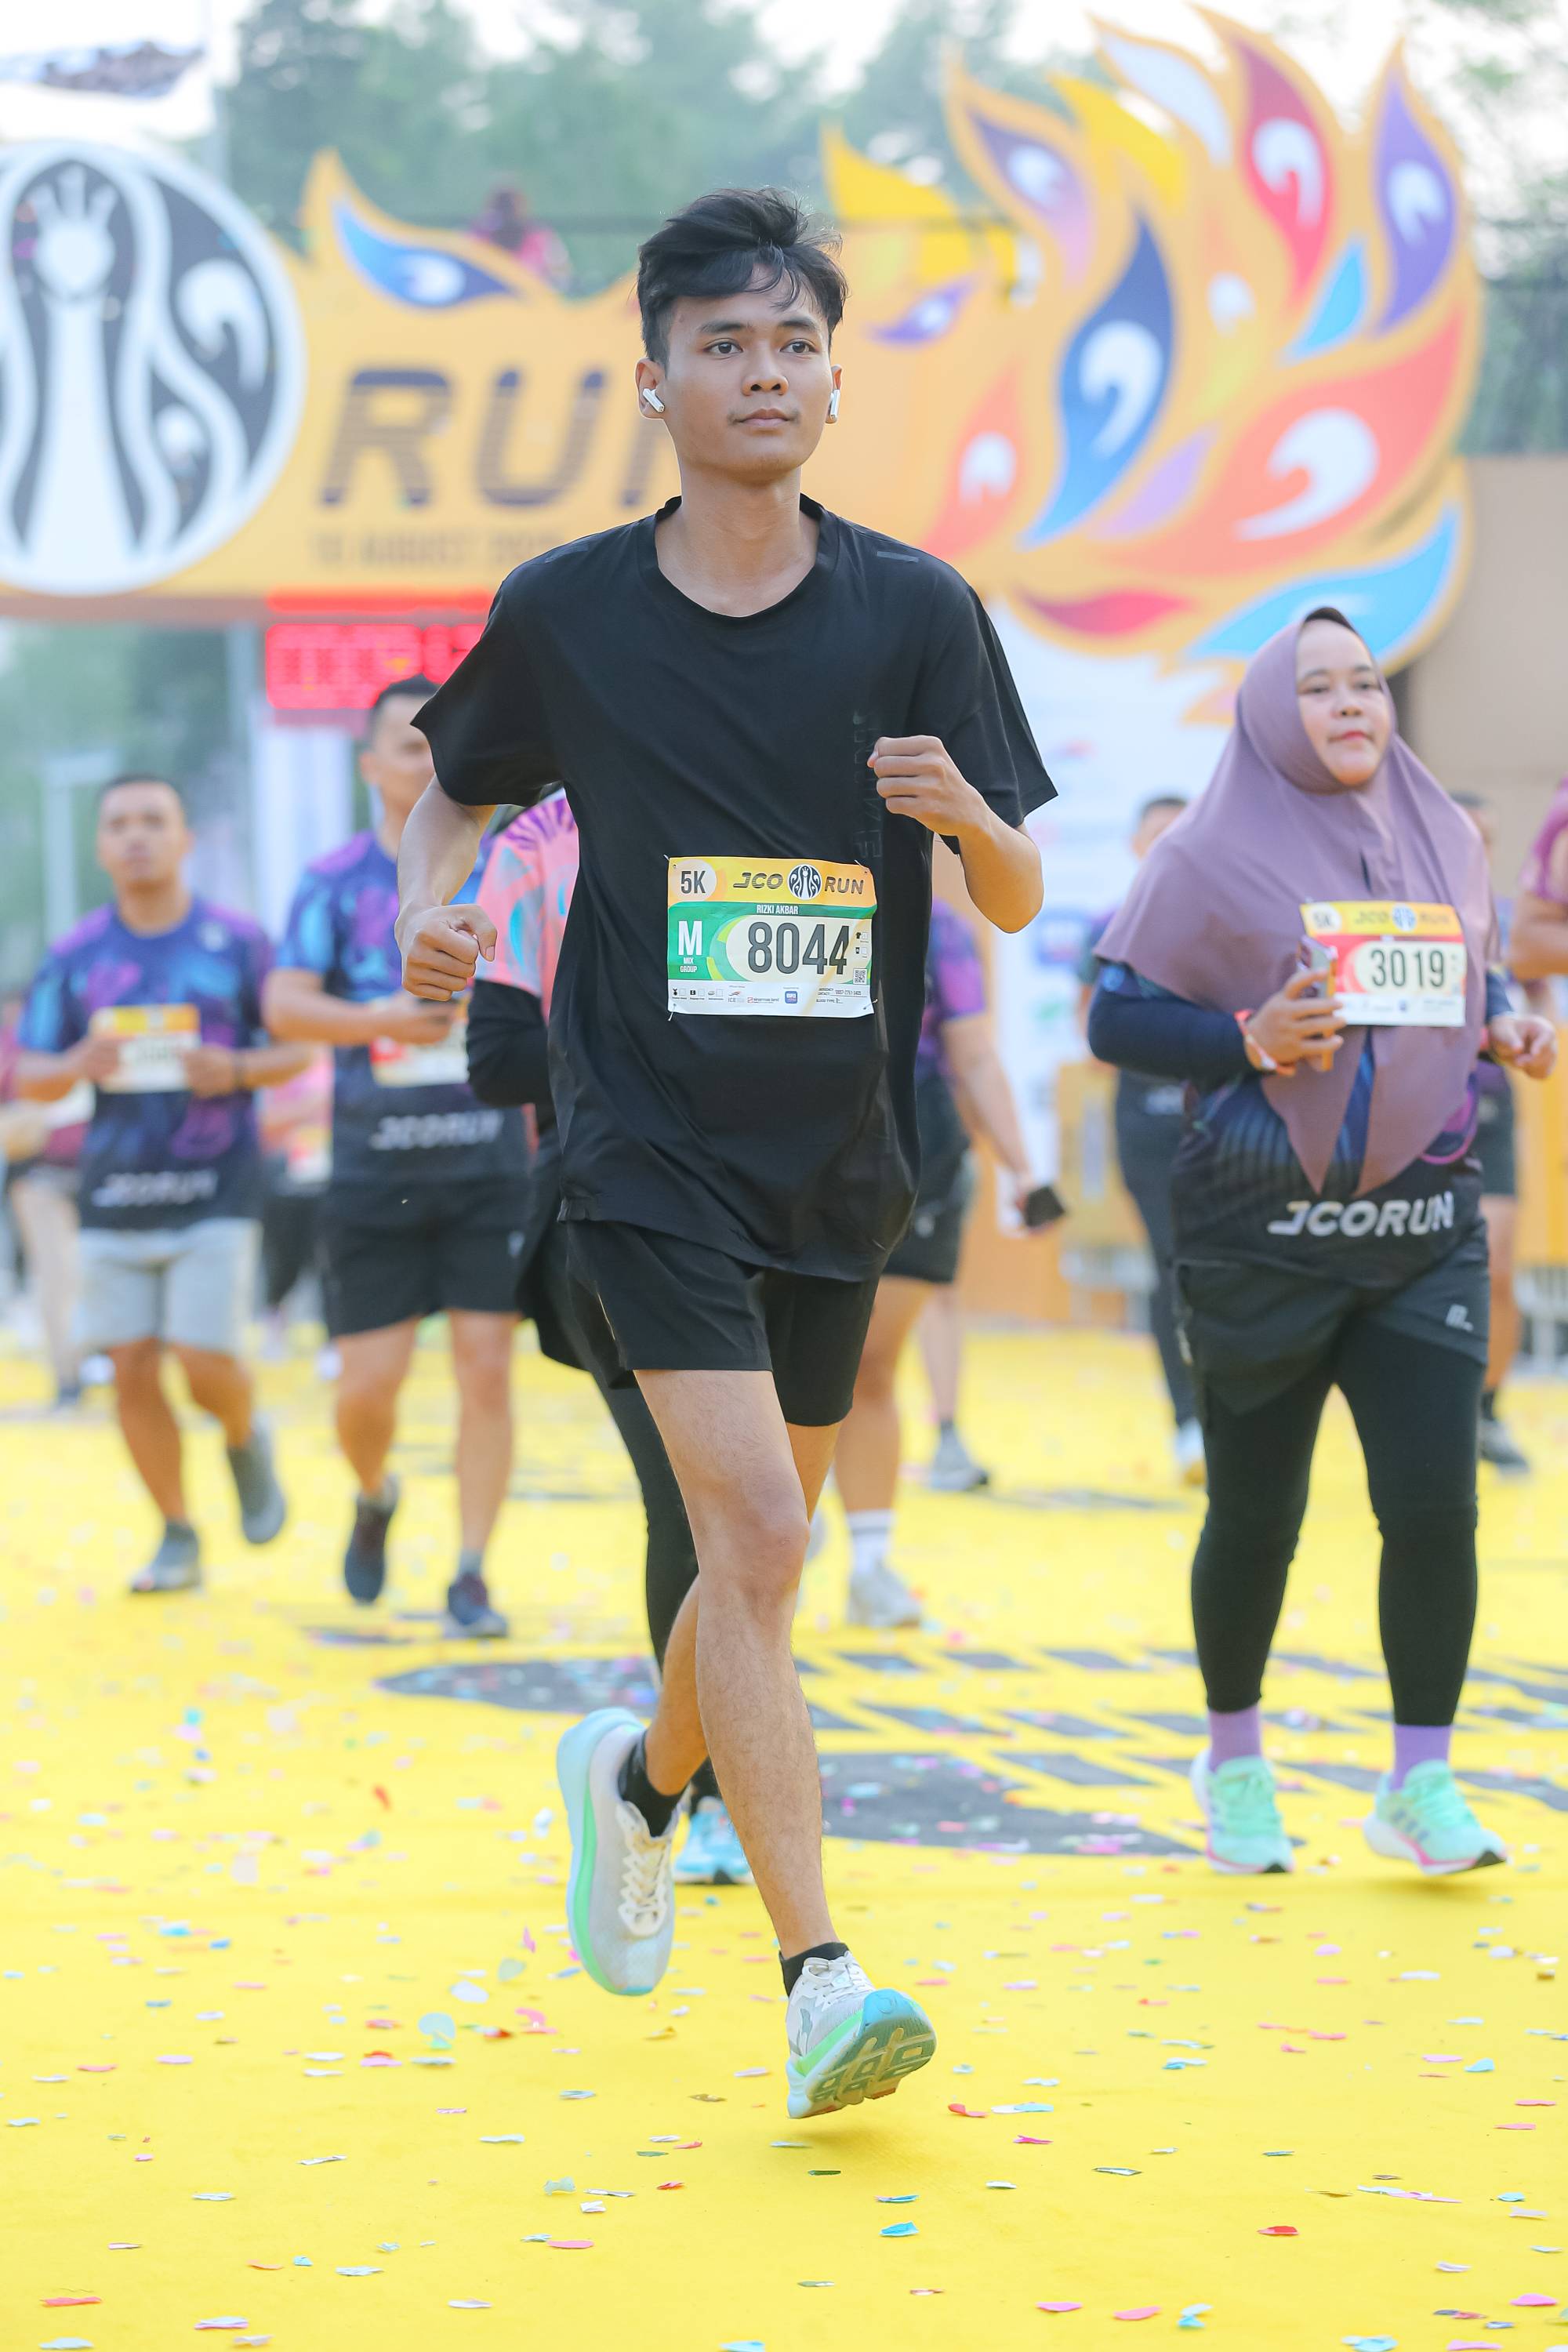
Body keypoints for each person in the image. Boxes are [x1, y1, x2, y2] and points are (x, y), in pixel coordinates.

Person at [395, 187, 1051, 2118]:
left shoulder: (917, 610)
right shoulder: (569, 609)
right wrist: (427, 914)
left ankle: (637, 1778)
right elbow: (447, 798)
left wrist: (964, 819)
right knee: (755, 1535)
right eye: (722, 344)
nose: (762, 374)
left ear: (834, 382)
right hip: (639, 1140)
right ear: (654, 381)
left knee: (758, 1563)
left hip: (840, 1155)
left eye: (792, 344)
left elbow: (1013, 889)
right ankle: (817, 1975)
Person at [1088, 609, 1555, 1878]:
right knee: (1257, 1517)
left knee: (1436, 1511)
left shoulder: (1443, 832)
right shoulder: (1201, 855)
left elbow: (1463, 974)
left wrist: (1502, 1024)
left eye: (1367, 684)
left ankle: (1421, 1780)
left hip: (1422, 1230)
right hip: (1263, 1237)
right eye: (1320, 688)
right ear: (1268, 712)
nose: (1351, 705)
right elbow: (1116, 1021)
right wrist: (1244, 1038)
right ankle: (1234, 1759)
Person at [466, 790, 749, 1887]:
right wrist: (654, 1057)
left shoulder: (761, 794)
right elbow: (498, 1057)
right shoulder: (537, 845)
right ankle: (697, 1794)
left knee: (764, 1524)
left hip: (785, 1206)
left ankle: (688, 1773)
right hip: (612, 1208)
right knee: (694, 1508)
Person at [265, 677, 529, 1638]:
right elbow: (284, 1006)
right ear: (370, 766)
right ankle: (375, 1493)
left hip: (488, 1163)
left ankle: (471, 1571)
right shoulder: (334, 882)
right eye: (408, 745)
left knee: (485, 1370)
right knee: (366, 1391)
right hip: (374, 1173)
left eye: (438, 743)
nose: (426, 760)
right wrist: (382, 1016)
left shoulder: (506, 865)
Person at [14, 775, 298, 1590]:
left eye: (153, 820)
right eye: (119, 824)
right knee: (132, 1366)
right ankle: (176, 1531)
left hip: (217, 1185)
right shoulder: (76, 956)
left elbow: (299, 1048)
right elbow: (31, 1074)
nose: (136, 836)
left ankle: (242, 1432)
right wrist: (77, 1063)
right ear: (101, 846)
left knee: (204, 1358)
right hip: (114, 1191)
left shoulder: (238, 944)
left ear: (185, 839)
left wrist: (234, 1069)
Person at [831, 895, 1038, 1624]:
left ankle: (870, 1563)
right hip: (782, 1132)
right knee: (763, 1362)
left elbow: (973, 1050)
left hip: (910, 1143)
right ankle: (767, 1528)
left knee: (868, 1365)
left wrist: (1022, 1167)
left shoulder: (939, 925)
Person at [1078, 793, 1201, 1483]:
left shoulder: (1226, 920)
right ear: (1135, 846)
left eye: (1182, 834)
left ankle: (1235, 1416)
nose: (1169, 846)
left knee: (1227, 1267)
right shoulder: (1111, 927)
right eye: (1157, 835)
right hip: (1146, 1120)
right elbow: (1092, 1031)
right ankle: (1189, 1424)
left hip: (1222, 1117)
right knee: (1172, 1264)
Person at [1450, 791, 1534, 1473]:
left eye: (1487, 837)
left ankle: (1488, 1410)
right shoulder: (1398, 912)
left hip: (1490, 1110)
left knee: (1496, 1267)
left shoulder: (1505, 921)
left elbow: (1535, 999)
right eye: (1464, 834)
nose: (1476, 848)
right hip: (1410, 1112)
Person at [2, 988, 89, 1405]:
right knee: (56, 1275)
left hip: (105, 1173)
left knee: (96, 1273)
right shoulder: (15, 1044)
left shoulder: (90, 1034)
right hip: (40, 1174)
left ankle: (94, 1366)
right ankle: (68, 1375)